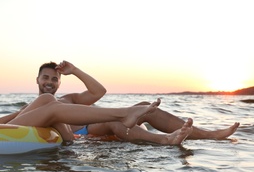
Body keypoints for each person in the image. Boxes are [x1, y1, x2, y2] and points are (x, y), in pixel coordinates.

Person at [0, 73, 173, 157]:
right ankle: (124, 114)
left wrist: (23, 111)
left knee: (47, 99)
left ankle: (71, 137)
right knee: (51, 105)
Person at [31, 61, 240, 145]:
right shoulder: (35, 108)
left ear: (59, 82)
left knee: (144, 106)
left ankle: (210, 134)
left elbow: (99, 91)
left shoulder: (69, 99)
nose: (50, 82)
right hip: (84, 134)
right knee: (117, 122)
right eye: (46, 78)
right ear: (38, 80)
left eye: (54, 79)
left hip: (95, 124)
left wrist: (75, 70)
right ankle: (165, 140)